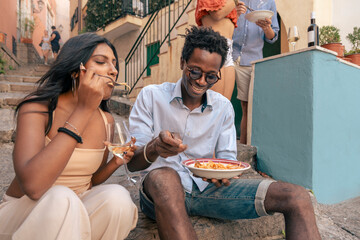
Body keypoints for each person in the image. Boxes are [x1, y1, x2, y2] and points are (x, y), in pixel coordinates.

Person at [127, 26, 321, 240]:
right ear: (182, 63)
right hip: (159, 194)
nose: (201, 82)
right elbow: (131, 162)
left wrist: (223, 175)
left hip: (208, 190)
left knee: (298, 197)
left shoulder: (223, 107)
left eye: (211, 76)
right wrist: (155, 147)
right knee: (165, 177)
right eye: (194, 71)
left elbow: (227, 160)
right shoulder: (150, 97)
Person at [0, 33, 138, 239]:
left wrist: (115, 163)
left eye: (114, 64)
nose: (114, 70)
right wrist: (83, 110)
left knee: (118, 199)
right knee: (62, 199)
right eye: (101, 62)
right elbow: (33, 186)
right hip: (25, 212)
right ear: (76, 70)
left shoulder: (106, 119)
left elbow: (90, 180)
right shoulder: (37, 108)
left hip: (76, 205)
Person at [232, 0, 279, 144]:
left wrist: (266, 28)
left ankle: (244, 148)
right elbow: (221, 21)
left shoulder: (269, 3)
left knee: (247, 106)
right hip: (228, 53)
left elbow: (272, 36)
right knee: (217, 98)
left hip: (251, 58)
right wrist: (234, 13)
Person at [195, 0, 237, 100]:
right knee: (214, 102)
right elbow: (217, 15)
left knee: (225, 104)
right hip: (214, 47)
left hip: (228, 48)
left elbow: (227, 20)